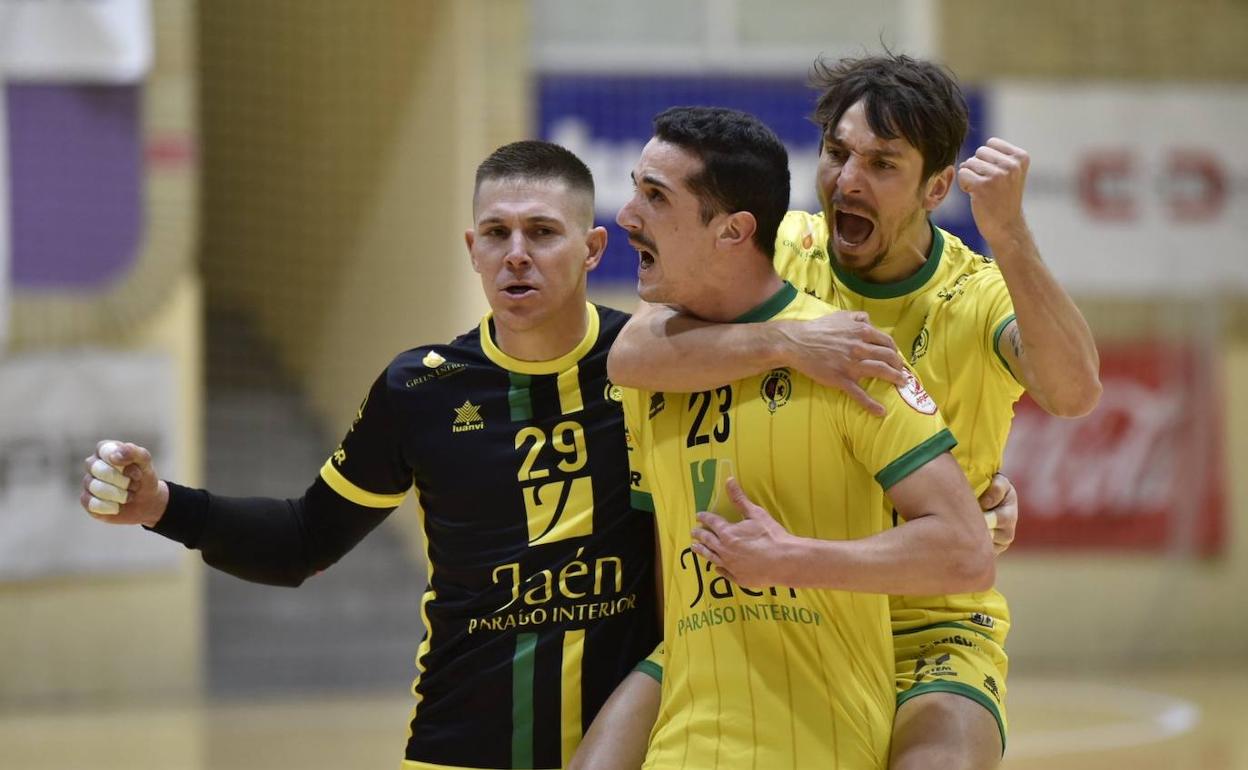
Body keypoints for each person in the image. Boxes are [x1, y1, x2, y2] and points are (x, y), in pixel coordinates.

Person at [79, 140, 664, 770]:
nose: (516, 254)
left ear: (593, 248)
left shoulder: (657, 364)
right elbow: (304, 540)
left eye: (543, 232)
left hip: (630, 751)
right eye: (497, 232)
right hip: (457, 750)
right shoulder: (420, 389)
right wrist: (161, 505)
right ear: (473, 249)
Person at [596, 55, 1101, 770]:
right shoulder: (784, 247)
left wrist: (1010, 234)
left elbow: (1075, 392)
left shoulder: (977, 293)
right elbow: (635, 352)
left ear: (937, 189)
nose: (847, 180)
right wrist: (788, 340)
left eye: (883, 164)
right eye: (838, 152)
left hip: (926, 627)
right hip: (772, 612)